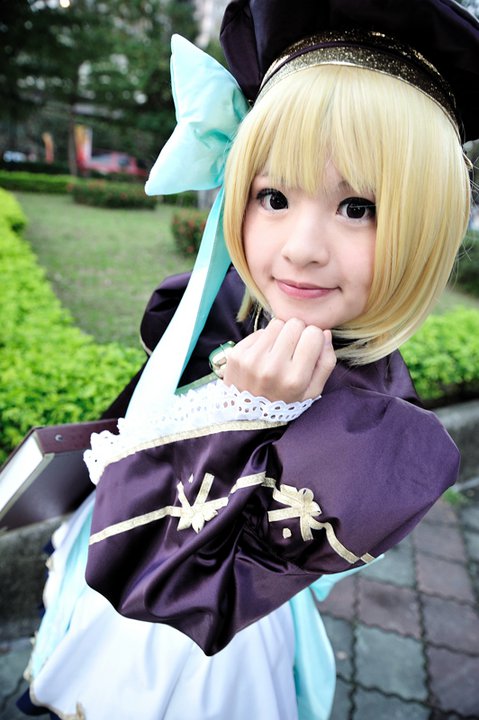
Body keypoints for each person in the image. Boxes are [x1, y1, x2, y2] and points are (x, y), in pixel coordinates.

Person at [19, 0, 478, 718]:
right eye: (273, 196)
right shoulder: (233, 302)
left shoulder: (374, 429)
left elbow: (186, 584)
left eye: (357, 207)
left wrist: (248, 414)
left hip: (203, 651)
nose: (301, 248)